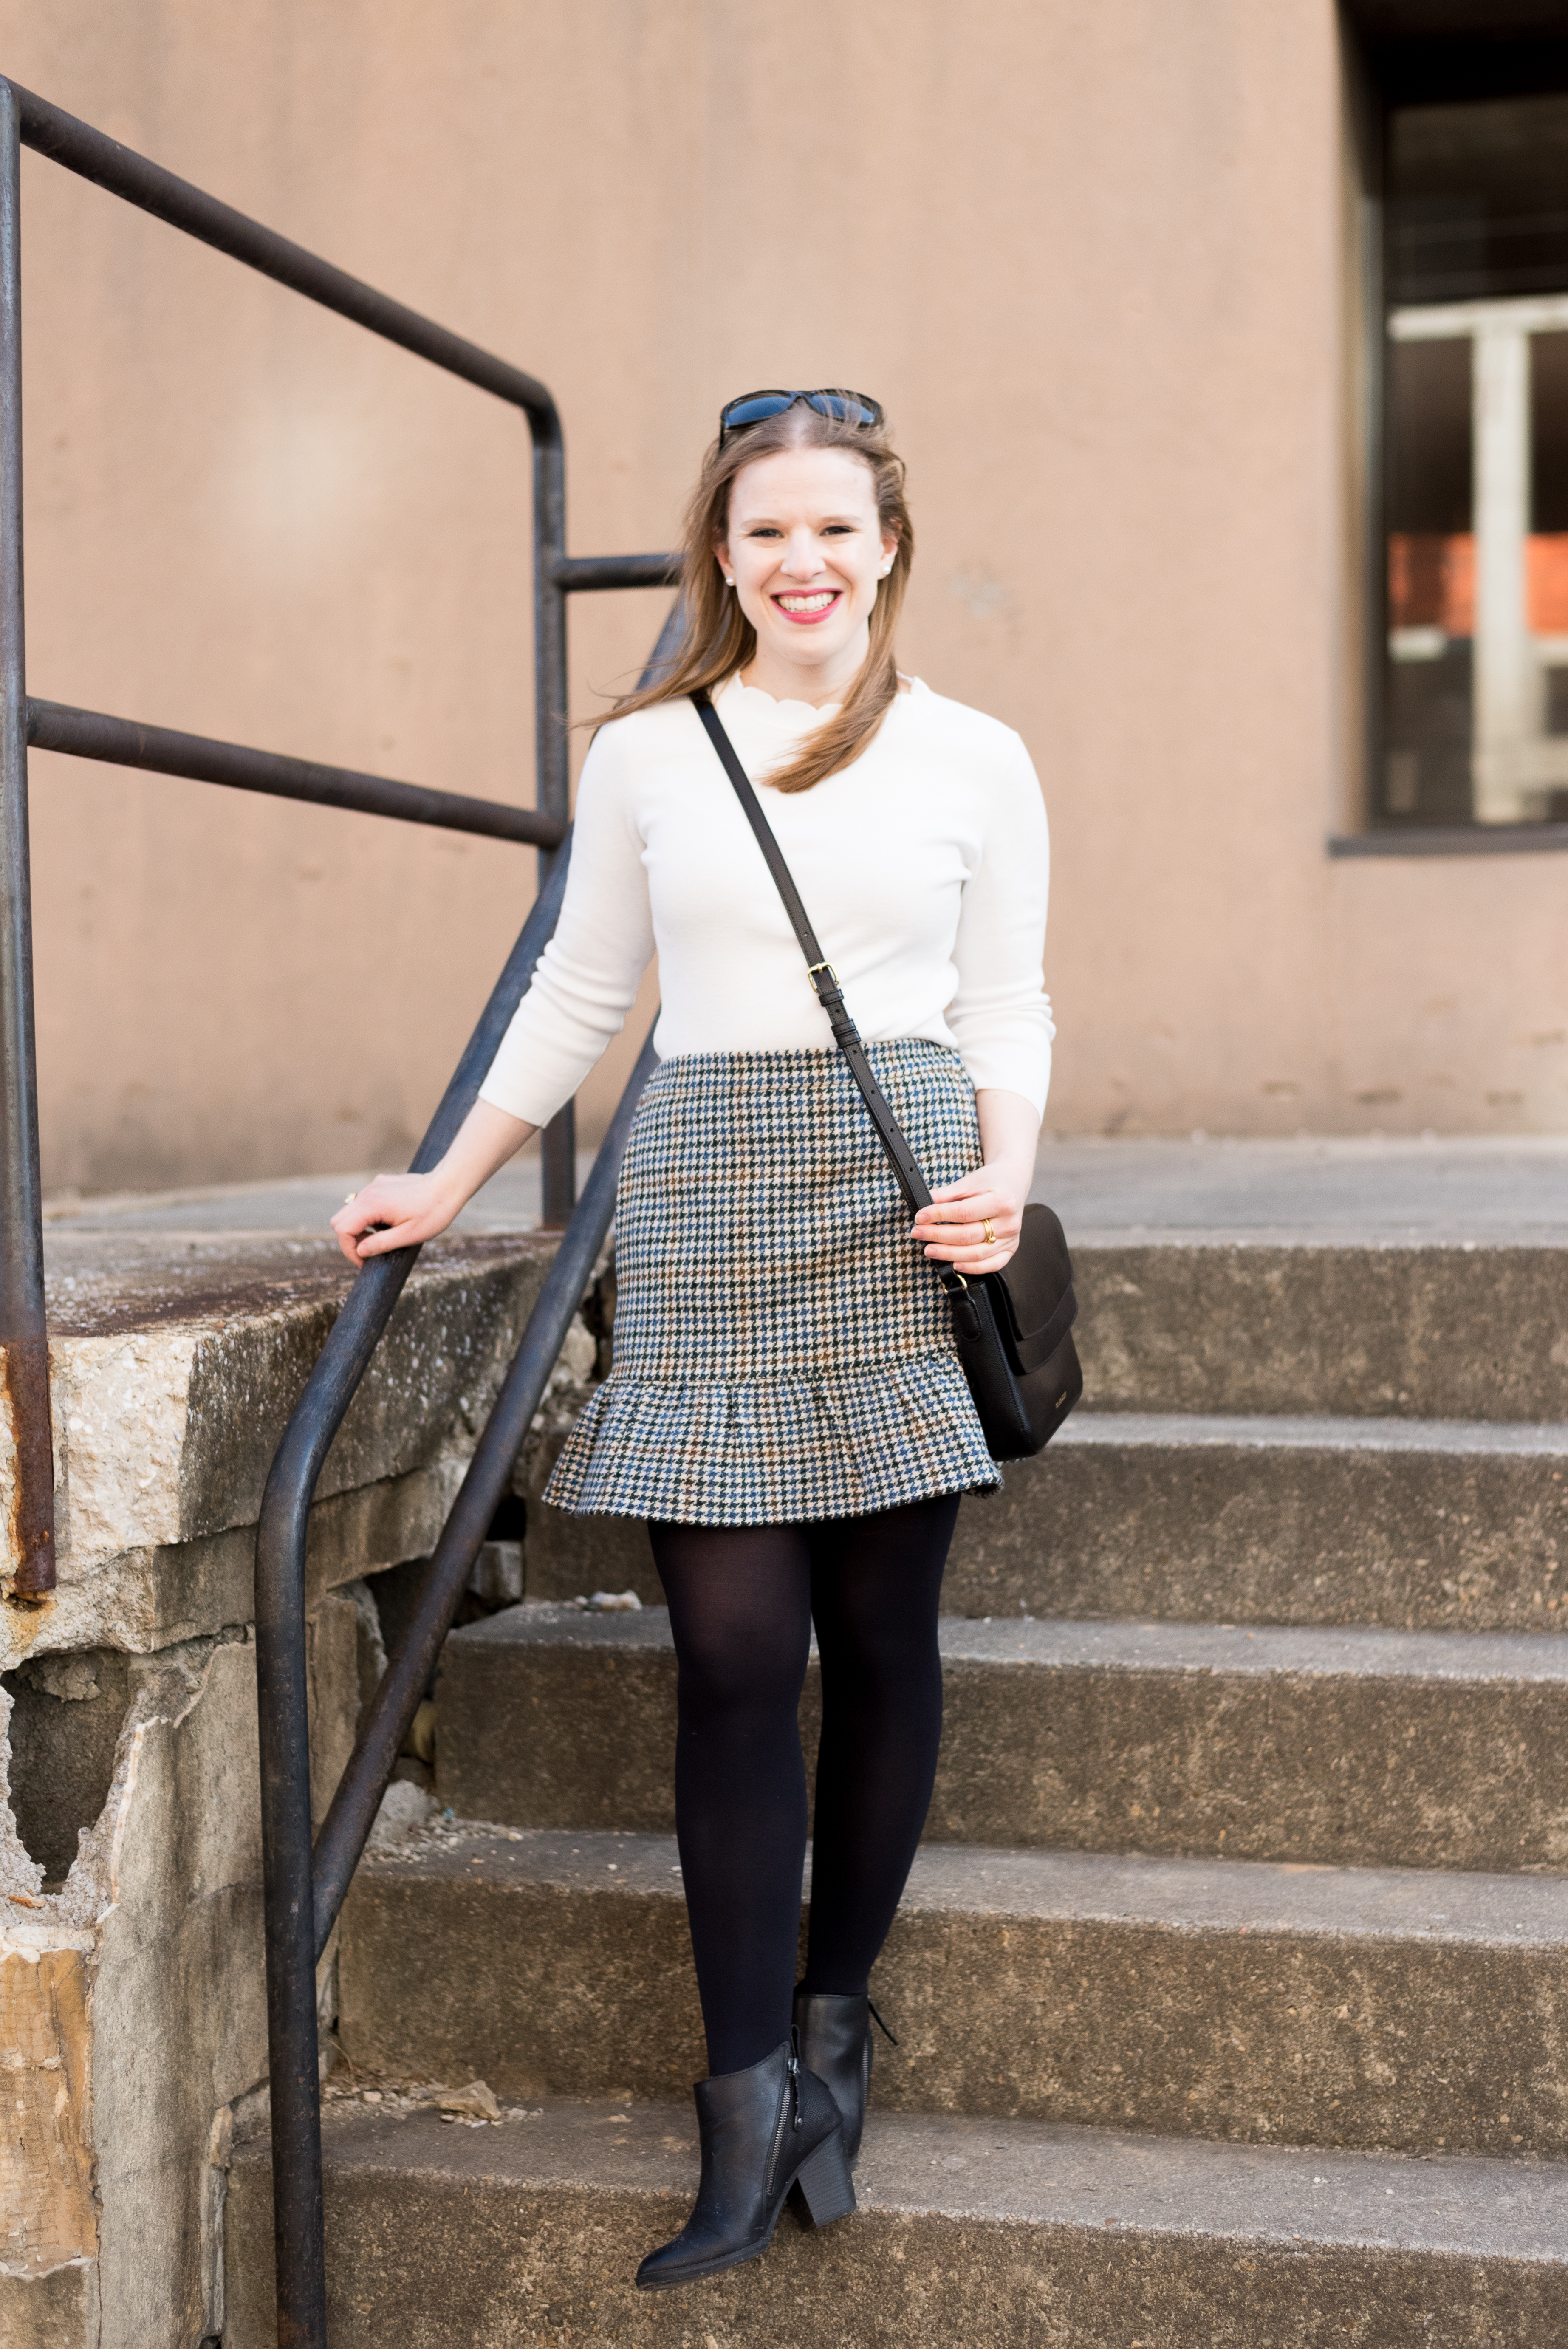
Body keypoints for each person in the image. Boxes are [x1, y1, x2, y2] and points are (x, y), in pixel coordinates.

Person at [331, 387, 1053, 2291]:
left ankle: (832, 2033)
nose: (798, 562)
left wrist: (1004, 1181)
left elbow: (1009, 1001)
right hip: (714, 1189)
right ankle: (738, 2104)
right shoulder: (656, 754)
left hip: (901, 1203)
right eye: (761, 534)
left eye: (830, 527)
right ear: (717, 557)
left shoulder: (975, 756)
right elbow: (583, 986)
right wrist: (455, 1181)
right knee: (736, 1654)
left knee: (882, 1636)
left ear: (884, 540)